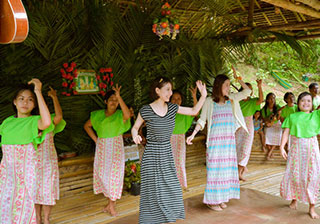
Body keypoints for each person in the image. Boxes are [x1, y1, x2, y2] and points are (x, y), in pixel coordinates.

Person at [131, 77, 207, 224]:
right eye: (167, 90)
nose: (170, 93)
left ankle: (169, 217)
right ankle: (153, 220)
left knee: (172, 187)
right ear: (157, 91)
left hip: (166, 152)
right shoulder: (145, 110)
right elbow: (135, 127)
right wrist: (135, 135)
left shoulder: (172, 108)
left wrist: (203, 95)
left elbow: (193, 111)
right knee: (152, 191)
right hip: (151, 155)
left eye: (171, 90)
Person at [187, 68, 251, 211]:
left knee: (226, 172)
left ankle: (221, 198)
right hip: (215, 144)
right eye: (226, 85)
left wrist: (238, 79)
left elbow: (247, 92)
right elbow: (202, 120)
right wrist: (193, 134)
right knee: (215, 173)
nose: (229, 88)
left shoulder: (232, 99)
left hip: (228, 143)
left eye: (229, 85)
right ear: (218, 86)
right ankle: (212, 201)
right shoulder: (209, 102)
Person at [0, 79, 51, 224]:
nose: (25, 102)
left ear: (34, 105)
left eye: (30, 100)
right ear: (14, 102)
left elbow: (47, 122)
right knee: (5, 207)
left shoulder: (34, 121)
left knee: (24, 208)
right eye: (21, 99)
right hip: (7, 176)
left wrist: (38, 91)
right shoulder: (7, 122)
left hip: (25, 177)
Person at [84, 84, 131, 217]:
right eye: (111, 99)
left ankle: (111, 206)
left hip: (116, 148)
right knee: (104, 176)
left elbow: (128, 114)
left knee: (114, 177)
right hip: (102, 148)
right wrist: (96, 140)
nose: (114, 102)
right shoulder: (97, 115)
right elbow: (86, 126)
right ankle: (109, 204)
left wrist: (119, 96)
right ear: (105, 101)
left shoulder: (120, 114)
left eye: (116, 100)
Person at [280, 92, 320, 219]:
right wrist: (281, 146)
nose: (306, 103)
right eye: (303, 100)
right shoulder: (292, 116)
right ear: (298, 102)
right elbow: (286, 132)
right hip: (296, 152)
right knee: (295, 176)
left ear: (313, 103)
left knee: (312, 177)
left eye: (309, 101)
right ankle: (294, 200)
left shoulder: (316, 115)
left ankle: (312, 207)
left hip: (312, 152)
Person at [35, 87, 66, 224]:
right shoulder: (28, 122)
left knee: (47, 190)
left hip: (48, 162)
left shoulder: (49, 121)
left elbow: (59, 116)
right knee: (35, 190)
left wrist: (54, 97)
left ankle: (46, 219)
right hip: (33, 163)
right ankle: (37, 218)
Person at [235, 79, 263, 181]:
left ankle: (239, 172)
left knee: (245, 149)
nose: (249, 92)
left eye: (251, 90)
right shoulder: (236, 101)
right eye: (248, 90)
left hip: (248, 128)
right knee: (236, 148)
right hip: (237, 127)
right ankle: (240, 168)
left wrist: (259, 86)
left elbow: (261, 99)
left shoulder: (252, 101)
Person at [170, 87, 197, 189]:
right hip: (167, 140)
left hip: (180, 140)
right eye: (174, 98)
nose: (176, 101)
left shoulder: (184, 112)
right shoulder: (165, 111)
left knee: (179, 162)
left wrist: (194, 96)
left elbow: (195, 112)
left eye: (179, 99)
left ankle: (180, 185)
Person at [261, 93, 282, 160]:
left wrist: (278, 114)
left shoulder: (278, 107)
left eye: (273, 98)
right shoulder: (264, 109)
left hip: (277, 124)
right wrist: (269, 118)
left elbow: (278, 118)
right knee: (267, 133)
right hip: (269, 124)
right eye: (270, 98)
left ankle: (270, 152)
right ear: (267, 100)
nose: (272, 100)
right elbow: (264, 119)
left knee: (279, 134)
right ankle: (270, 151)